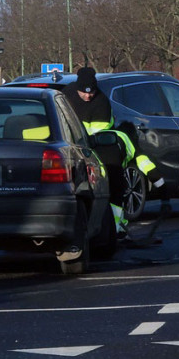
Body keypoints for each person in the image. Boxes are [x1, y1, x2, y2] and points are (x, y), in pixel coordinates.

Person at [62, 67, 166, 240]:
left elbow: (94, 136)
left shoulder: (101, 103)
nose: (88, 96)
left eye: (91, 92)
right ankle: (115, 228)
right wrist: (162, 187)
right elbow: (143, 161)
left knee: (111, 189)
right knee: (114, 190)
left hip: (91, 151)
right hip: (88, 153)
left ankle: (114, 227)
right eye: (84, 93)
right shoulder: (66, 96)